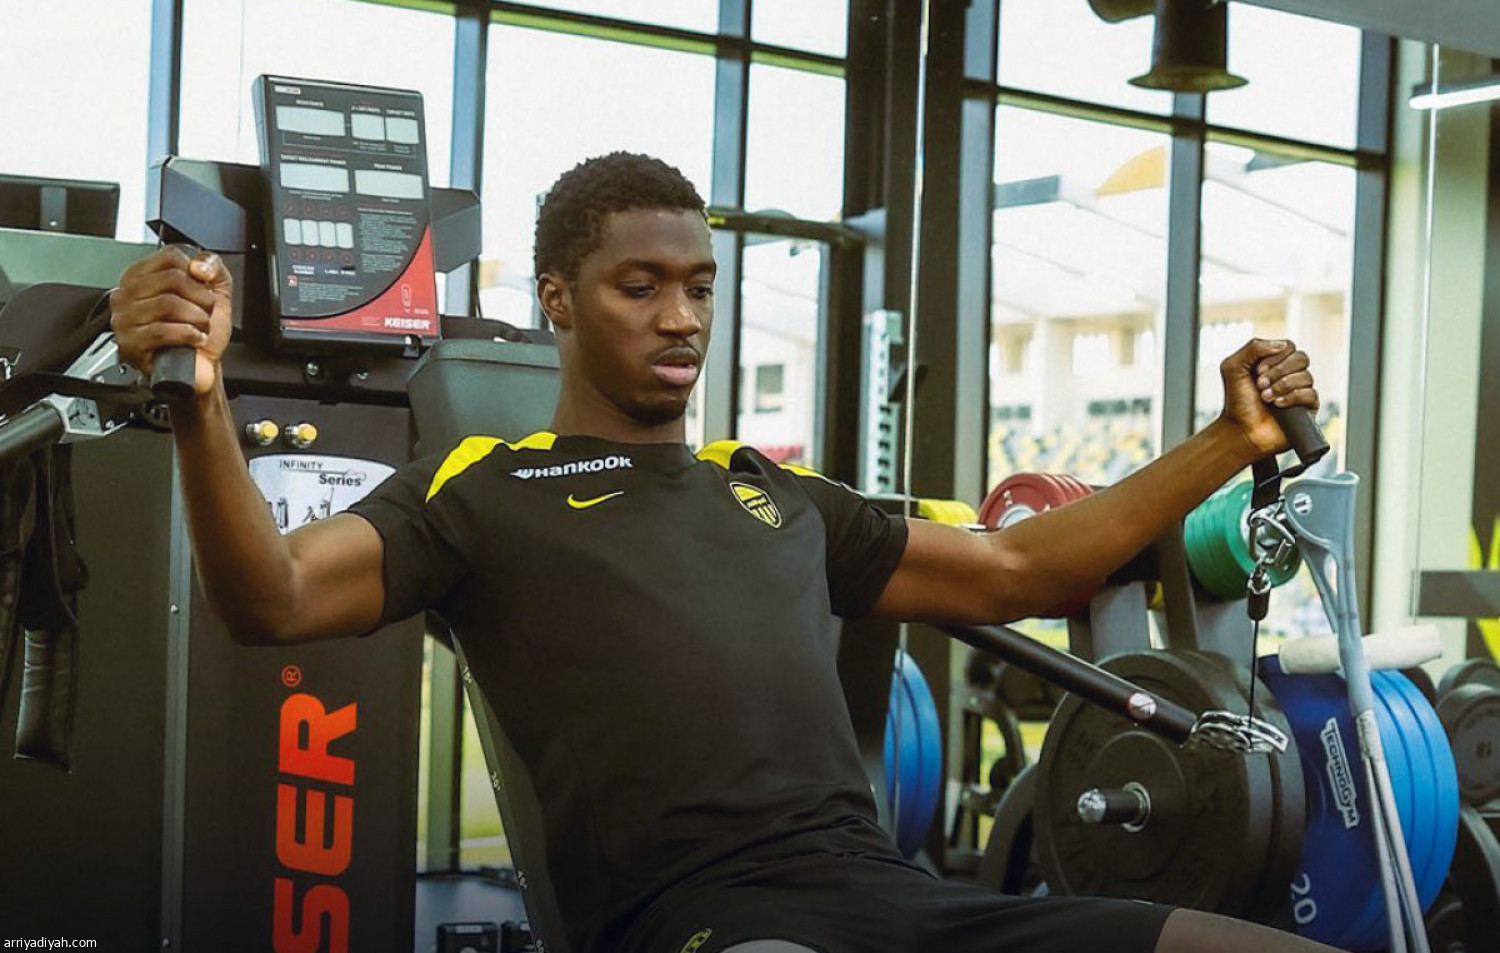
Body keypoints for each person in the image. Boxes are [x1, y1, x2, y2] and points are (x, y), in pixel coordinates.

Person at [110, 152, 1333, 953]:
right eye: (640, 286)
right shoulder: (486, 489)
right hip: (700, 918)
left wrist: (1232, 438)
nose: (682, 316)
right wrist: (202, 401)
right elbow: (269, 597)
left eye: (699, 286)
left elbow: (1027, 571)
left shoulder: (778, 496)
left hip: (897, 903)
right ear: (558, 297)